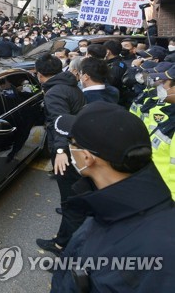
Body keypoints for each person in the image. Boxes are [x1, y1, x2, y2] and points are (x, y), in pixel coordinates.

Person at [51, 101, 175, 292]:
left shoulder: (159, 251)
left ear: (87, 157)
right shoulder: (108, 206)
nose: (69, 149)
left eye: (71, 143)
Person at [34, 53, 87, 255]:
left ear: (40, 74)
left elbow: (60, 123)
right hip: (76, 147)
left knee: (69, 200)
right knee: (73, 197)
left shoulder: (55, 92)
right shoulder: (69, 86)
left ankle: (63, 245)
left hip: (68, 152)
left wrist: (59, 150)